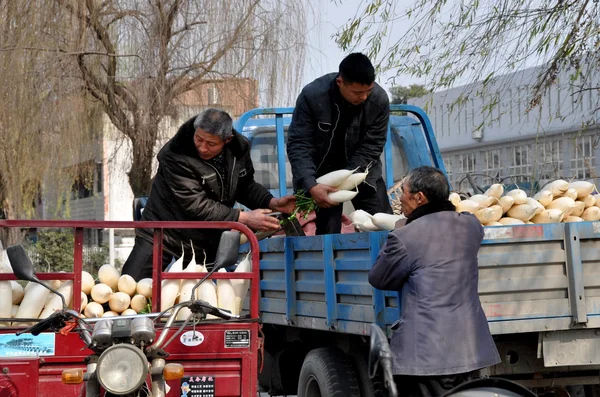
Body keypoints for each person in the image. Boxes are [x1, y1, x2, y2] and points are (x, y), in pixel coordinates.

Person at [368, 166, 500, 397]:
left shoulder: (404, 236)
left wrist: (402, 226)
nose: (400, 198)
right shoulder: (470, 226)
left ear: (419, 198)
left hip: (426, 353)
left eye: (404, 191)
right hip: (469, 348)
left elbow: (379, 278)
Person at [122, 108, 295, 281]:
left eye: (211, 144)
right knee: (131, 287)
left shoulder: (238, 149)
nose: (203, 148)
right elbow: (196, 205)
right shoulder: (176, 154)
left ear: (227, 140)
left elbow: (244, 186)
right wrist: (244, 218)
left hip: (202, 241)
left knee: (200, 300)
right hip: (162, 234)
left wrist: (272, 202)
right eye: (199, 139)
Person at [286, 52, 393, 235]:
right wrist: (311, 185)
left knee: (384, 226)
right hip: (323, 176)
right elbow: (299, 144)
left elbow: (372, 145)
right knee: (328, 233)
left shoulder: (379, 100)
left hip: (363, 171)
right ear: (340, 82)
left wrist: (349, 177)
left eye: (368, 91)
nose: (364, 97)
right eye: (357, 93)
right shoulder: (313, 96)